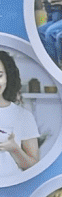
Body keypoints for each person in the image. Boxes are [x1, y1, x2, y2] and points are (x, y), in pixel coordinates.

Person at [0, 50, 40, 178]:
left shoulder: (23, 116)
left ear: (8, 77)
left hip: (11, 191)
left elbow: (33, 167)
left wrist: (14, 149)